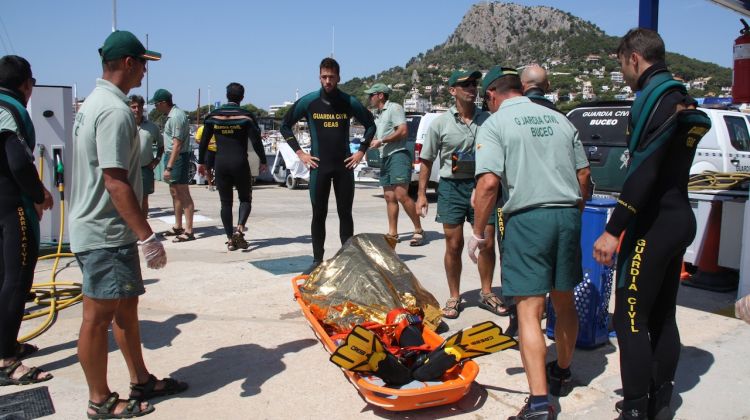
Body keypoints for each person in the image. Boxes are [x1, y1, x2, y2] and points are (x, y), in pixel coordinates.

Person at [592, 28, 710, 420]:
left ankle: (636, 409)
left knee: (629, 320)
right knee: (662, 315)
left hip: (654, 225)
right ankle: (659, 400)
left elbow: (644, 171)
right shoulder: (679, 95)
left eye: (621, 64)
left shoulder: (653, 99)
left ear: (634, 59)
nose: (623, 73)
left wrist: (614, 228)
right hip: (679, 218)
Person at [69, 30, 187, 418]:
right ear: (127, 63)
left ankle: (141, 379)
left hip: (105, 229)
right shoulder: (115, 111)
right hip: (105, 232)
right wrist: (148, 235)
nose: (144, 75)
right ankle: (99, 400)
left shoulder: (94, 103)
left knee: (126, 309)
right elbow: (115, 182)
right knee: (97, 317)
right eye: (142, 65)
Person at [470, 66, 591, 420]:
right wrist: (573, 213)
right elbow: (584, 175)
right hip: (567, 214)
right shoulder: (561, 120)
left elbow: (489, 184)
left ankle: (539, 403)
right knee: (564, 301)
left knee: (529, 311)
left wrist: (478, 233)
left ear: (492, 95)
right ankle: (563, 372)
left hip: (528, 218)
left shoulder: (494, 125)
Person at [415, 70, 503, 320]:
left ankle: (486, 293)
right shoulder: (440, 124)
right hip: (451, 189)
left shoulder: (489, 119)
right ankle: (455, 296)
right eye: (465, 85)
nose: (471, 89)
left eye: (474, 84)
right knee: (454, 245)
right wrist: (421, 194)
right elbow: (427, 160)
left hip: (483, 186)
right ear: (453, 90)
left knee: (486, 241)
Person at [280, 57, 375, 273]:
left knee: (345, 213)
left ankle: (348, 260)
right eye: (324, 77)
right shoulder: (309, 102)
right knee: (318, 213)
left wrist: (361, 151)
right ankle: (316, 260)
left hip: (344, 167)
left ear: (339, 77)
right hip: (319, 168)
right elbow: (285, 126)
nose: (328, 81)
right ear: (319, 76)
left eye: (332, 77)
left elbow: (370, 126)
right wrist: (300, 153)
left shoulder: (348, 101)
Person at [0, 55, 54, 386]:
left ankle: (6, 342)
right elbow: (18, 161)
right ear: (26, 84)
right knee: (17, 280)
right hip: (11, 206)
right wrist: (38, 195)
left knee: (4, 276)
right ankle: (5, 359)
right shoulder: (9, 109)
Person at [198, 83, 267, 251]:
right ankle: (240, 229)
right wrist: (263, 160)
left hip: (220, 163)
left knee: (225, 203)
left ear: (227, 95)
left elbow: (204, 141)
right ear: (242, 97)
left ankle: (230, 239)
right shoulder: (246, 116)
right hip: (240, 163)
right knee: (245, 198)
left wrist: (202, 162)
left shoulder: (213, 116)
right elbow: (256, 140)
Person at [365, 82, 424, 246]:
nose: (369, 98)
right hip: (385, 157)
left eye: (371, 95)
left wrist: (382, 140)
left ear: (380, 95)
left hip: (398, 155)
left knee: (401, 195)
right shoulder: (378, 114)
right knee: (389, 196)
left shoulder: (395, 108)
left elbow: (403, 131)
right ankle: (393, 233)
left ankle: (418, 230)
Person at [150, 88, 195, 242]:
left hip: (178, 157)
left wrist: (169, 167)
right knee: (174, 192)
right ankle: (178, 225)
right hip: (173, 156)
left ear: (163, 103)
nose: (155, 107)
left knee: (183, 193)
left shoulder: (176, 116)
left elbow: (177, 144)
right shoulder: (171, 115)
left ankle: (189, 231)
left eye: (156, 104)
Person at [129, 95, 163, 218]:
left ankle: (143, 229)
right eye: (133, 107)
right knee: (128, 200)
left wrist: (156, 160)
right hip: (127, 169)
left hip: (145, 169)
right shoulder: (123, 124)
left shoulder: (152, 127)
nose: (136, 109)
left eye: (139, 106)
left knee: (144, 200)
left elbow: (161, 145)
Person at [194, 125, 217, 191]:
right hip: (208, 150)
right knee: (208, 168)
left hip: (219, 150)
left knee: (219, 168)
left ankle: (218, 184)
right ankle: (210, 185)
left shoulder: (218, 126)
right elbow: (197, 140)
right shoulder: (202, 128)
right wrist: (206, 143)